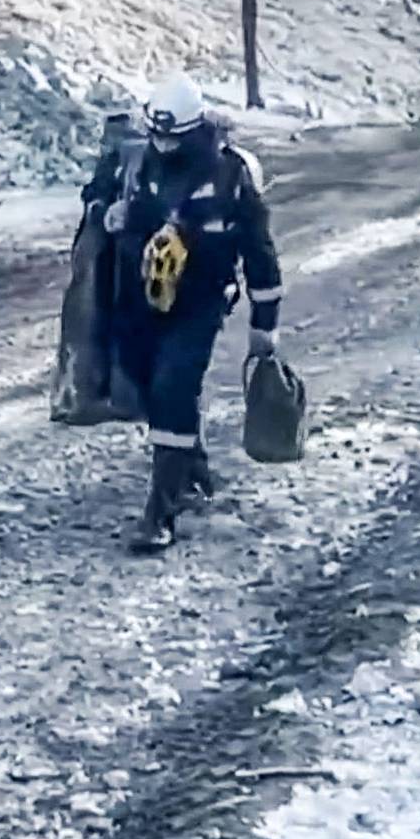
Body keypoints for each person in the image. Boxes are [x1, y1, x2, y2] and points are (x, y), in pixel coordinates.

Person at [82, 72, 283, 554]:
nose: (164, 145)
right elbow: (95, 194)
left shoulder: (230, 176)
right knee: (143, 384)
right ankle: (189, 465)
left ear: (195, 129)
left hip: (200, 302)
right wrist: (106, 213)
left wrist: (265, 323)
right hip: (134, 300)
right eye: (157, 135)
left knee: (174, 385)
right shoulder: (133, 160)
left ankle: (160, 512)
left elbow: (260, 251)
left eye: (173, 137)